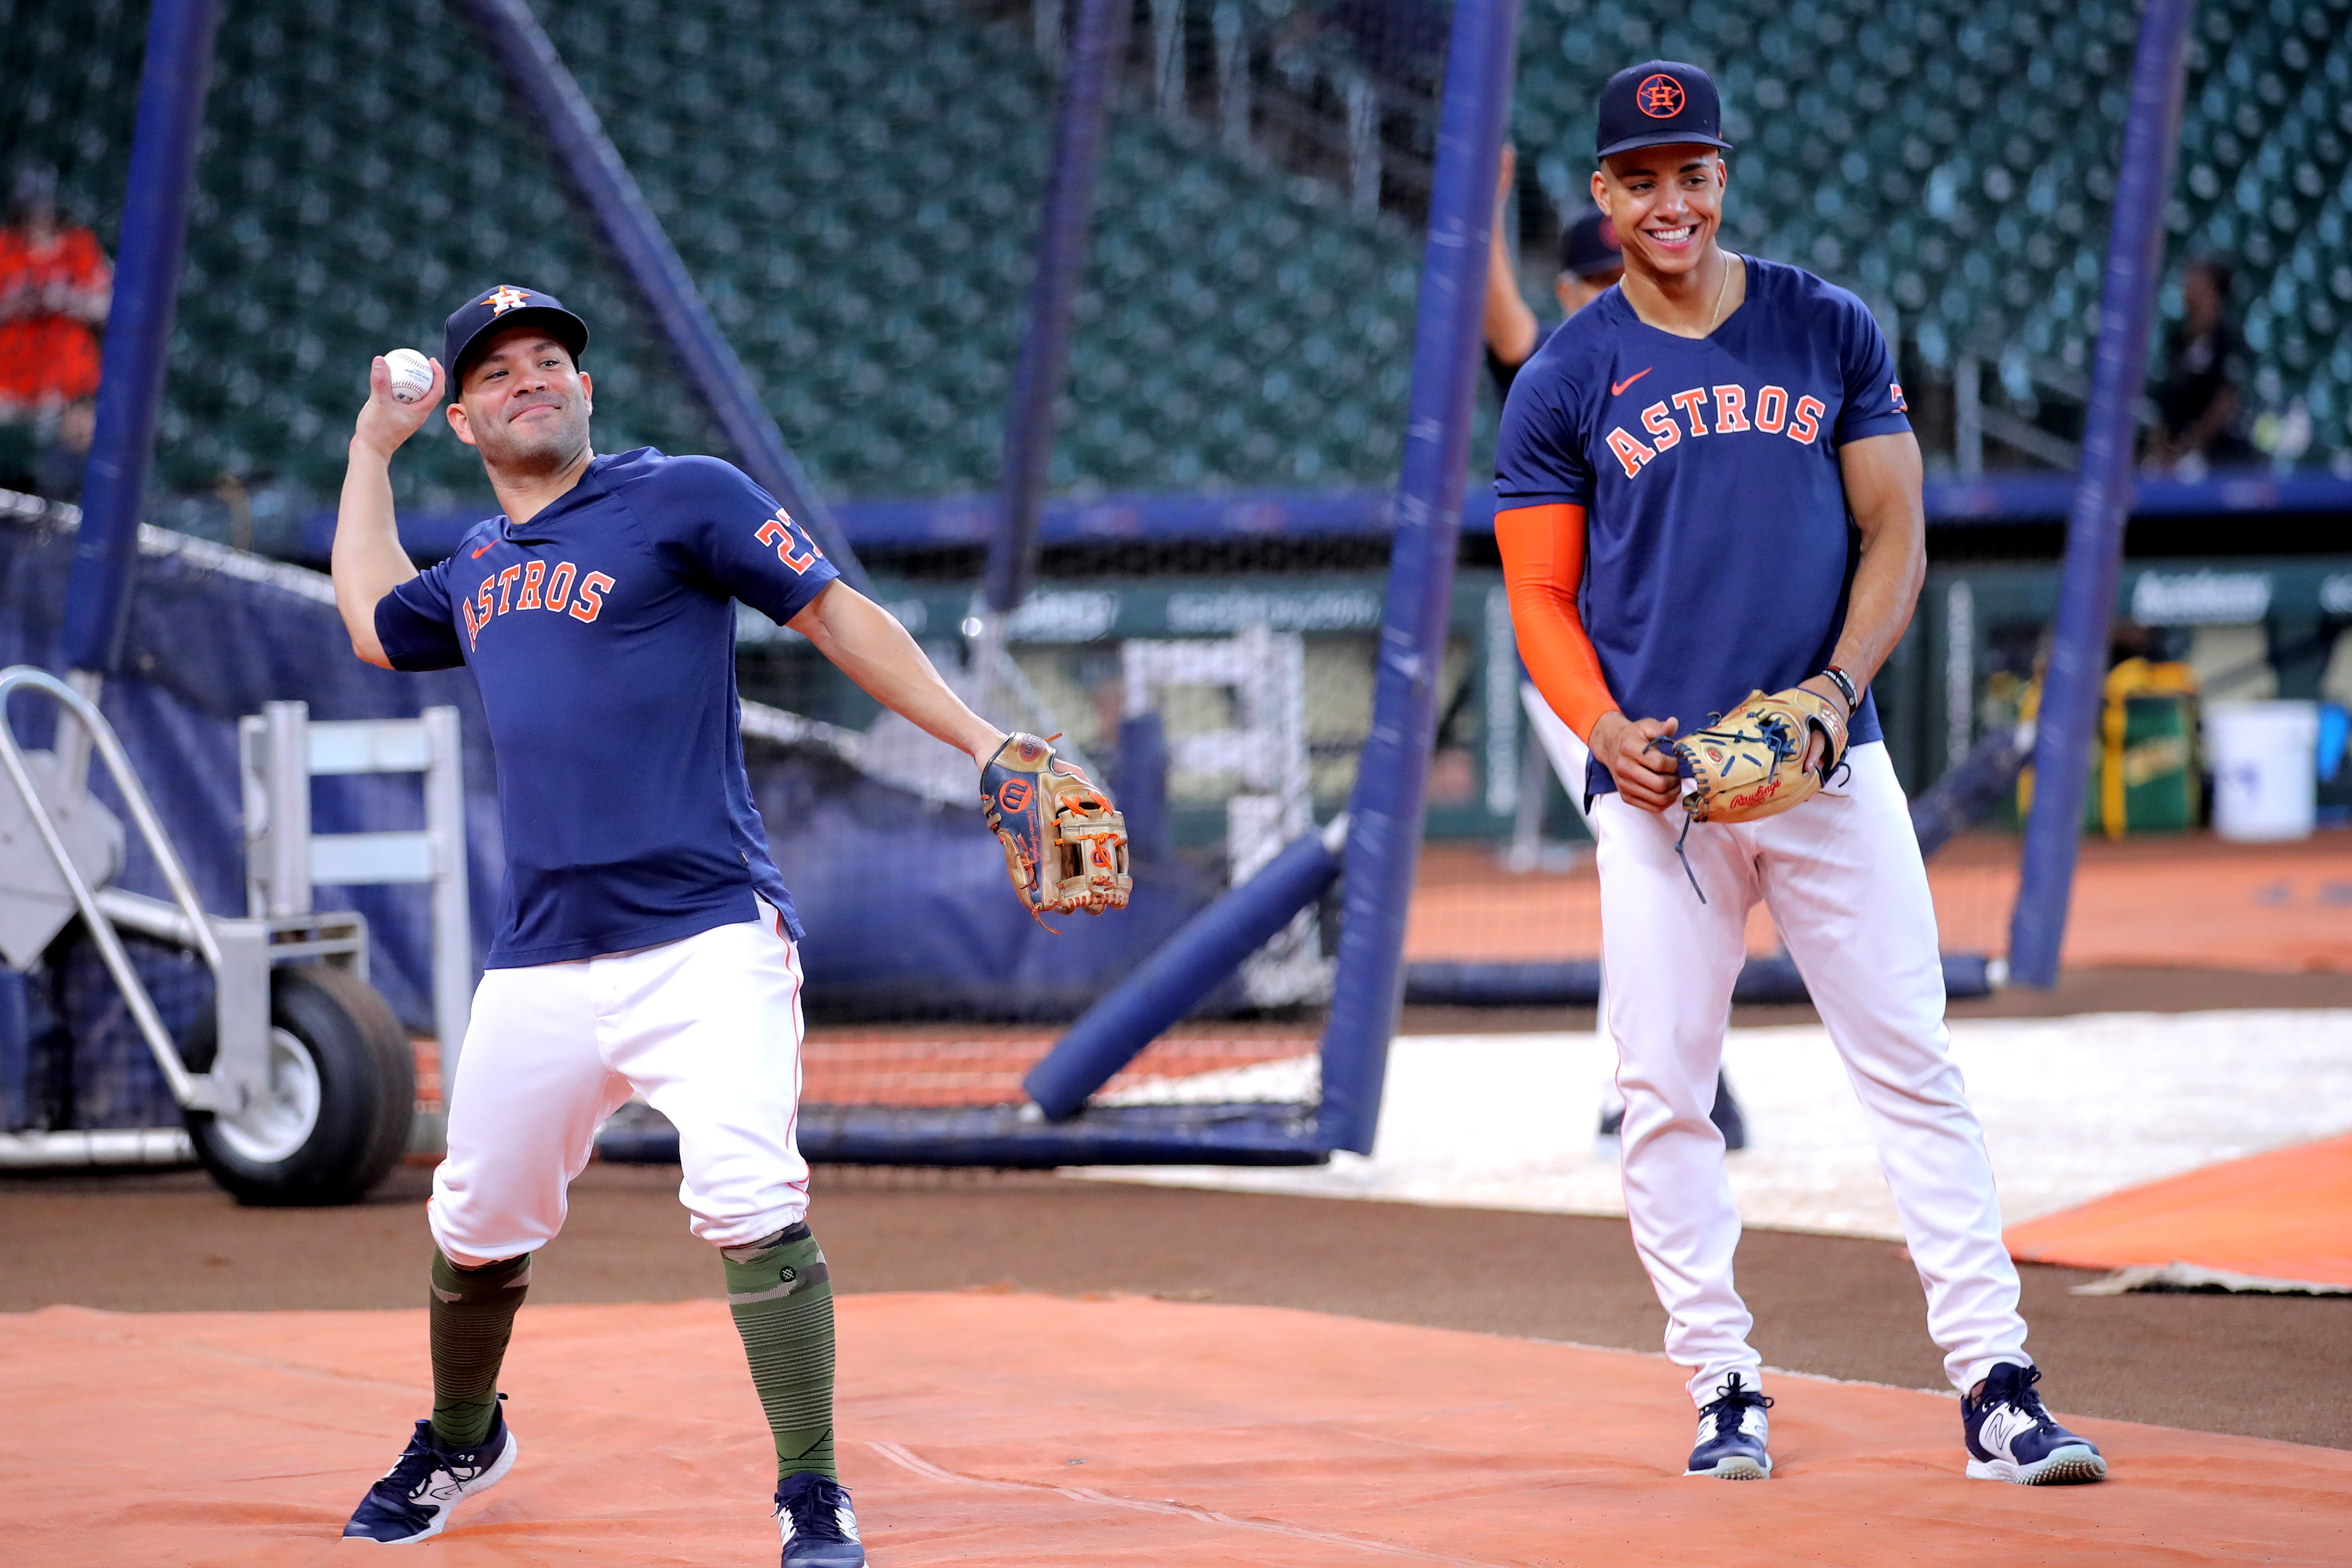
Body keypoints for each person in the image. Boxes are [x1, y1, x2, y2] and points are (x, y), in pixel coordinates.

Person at [1493, 62, 2109, 1488]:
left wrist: (1837, 693)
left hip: (1830, 765)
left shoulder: (1825, 324)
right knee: (1661, 1091)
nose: (1670, 200)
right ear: (1604, 194)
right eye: (1640, 178)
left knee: (1914, 1068)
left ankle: (1999, 1384)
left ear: (1723, 178)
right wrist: (1603, 730)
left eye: (1691, 171)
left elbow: (1894, 531)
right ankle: (1722, 1381)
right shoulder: (1565, 378)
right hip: (1665, 798)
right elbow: (1539, 598)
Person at [329, 285, 1010, 1563]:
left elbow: (834, 609)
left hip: (706, 934)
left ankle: (811, 1488)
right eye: (500, 371)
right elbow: (371, 621)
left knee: (753, 1194)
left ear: (585, 393)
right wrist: (373, 448)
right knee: (475, 1223)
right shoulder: (474, 566)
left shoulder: (682, 494)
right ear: (466, 421)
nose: (530, 376)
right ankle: (464, 1434)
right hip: (541, 954)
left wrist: (981, 743)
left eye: (550, 360)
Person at [1483, 144, 1625, 399]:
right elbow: (1505, 328)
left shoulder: (1679, 363)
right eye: (1601, 281)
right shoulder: (1556, 362)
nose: (1617, 293)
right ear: (1567, 294)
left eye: (1630, 279)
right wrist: (1484, 208)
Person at [2148, 257, 2256, 474]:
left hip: (2216, 459)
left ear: (2212, 292)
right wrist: (2160, 449)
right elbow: (2167, 402)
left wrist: (2188, 448)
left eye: (2194, 281)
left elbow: (2225, 404)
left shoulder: (2229, 343)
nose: (2185, 287)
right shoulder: (2178, 341)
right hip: (2173, 456)